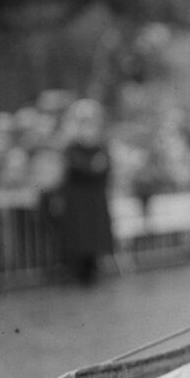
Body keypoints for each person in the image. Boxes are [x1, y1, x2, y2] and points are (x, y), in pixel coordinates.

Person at [56, 99, 115, 285]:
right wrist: (92, 167)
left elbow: (104, 167)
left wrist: (94, 167)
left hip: (94, 198)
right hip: (78, 199)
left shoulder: (100, 146)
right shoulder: (72, 148)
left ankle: (92, 267)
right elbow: (80, 168)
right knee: (79, 237)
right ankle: (78, 271)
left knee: (93, 237)